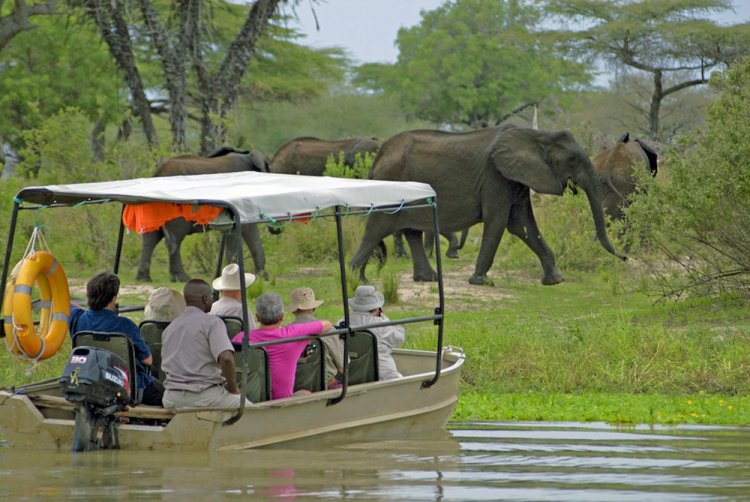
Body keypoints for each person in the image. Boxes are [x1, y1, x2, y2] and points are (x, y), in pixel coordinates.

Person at [68, 271, 164, 406]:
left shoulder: (77, 318)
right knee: (164, 394)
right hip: (129, 387)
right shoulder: (125, 325)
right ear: (113, 298)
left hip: (91, 383)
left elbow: (66, 303)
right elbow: (147, 360)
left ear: (88, 295)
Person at [161, 279, 245, 409]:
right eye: (211, 296)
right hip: (203, 396)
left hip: (171, 399)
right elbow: (226, 358)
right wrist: (234, 389)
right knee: (250, 410)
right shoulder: (212, 322)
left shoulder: (170, 328)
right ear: (205, 299)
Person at [235, 292, 333, 400]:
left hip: (251, 400)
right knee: (305, 393)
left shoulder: (240, 338)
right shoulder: (293, 334)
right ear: (282, 317)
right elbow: (327, 325)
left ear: (257, 317)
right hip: (283, 402)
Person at [342, 285, 405, 380]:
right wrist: (385, 319)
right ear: (377, 309)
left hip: (351, 375)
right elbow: (399, 338)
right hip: (382, 375)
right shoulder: (381, 324)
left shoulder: (342, 323)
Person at [288, 287, 345, 389]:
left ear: (294, 310)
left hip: (294, 386)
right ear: (314, 308)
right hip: (325, 385)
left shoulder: (285, 332)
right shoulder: (329, 331)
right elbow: (343, 366)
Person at [210, 263, 257, 329]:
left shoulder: (211, 308)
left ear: (221, 289)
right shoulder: (242, 311)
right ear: (244, 288)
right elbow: (252, 335)